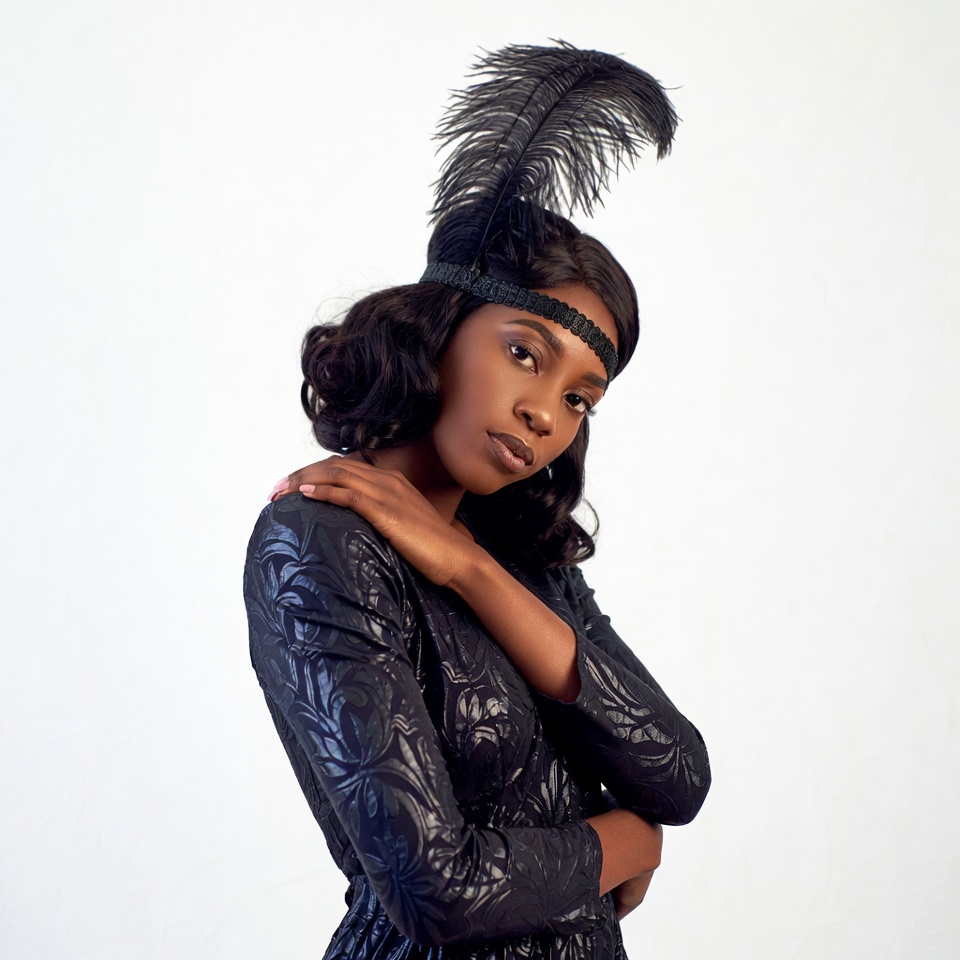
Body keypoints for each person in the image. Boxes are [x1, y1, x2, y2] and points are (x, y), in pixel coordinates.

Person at [244, 42, 710, 959]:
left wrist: (471, 570)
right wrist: (623, 843)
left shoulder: (523, 553)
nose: (545, 413)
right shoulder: (317, 544)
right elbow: (437, 890)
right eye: (525, 353)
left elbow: (678, 772)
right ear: (443, 325)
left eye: (579, 399)